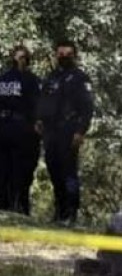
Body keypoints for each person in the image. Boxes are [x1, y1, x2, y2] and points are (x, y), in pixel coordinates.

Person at [36, 40, 94, 225]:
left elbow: (87, 108)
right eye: (60, 54)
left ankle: (71, 212)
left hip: (69, 130)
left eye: (67, 54)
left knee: (68, 172)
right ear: (56, 55)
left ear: (74, 55)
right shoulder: (51, 77)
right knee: (53, 170)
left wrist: (80, 131)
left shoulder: (80, 78)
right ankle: (59, 211)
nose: (63, 57)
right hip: (51, 131)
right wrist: (38, 119)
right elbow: (42, 102)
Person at [0, 45, 41, 215]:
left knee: (12, 168)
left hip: (13, 127)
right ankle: (15, 205)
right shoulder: (31, 80)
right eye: (21, 57)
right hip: (16, 128)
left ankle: (13, 205)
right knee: (13, 168)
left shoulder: (4, 79)